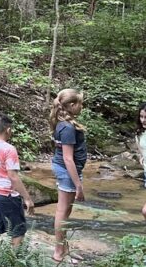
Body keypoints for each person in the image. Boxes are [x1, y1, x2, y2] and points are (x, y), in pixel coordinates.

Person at [0, 111, 35, 248]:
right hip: (6, 194)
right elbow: (13, 176)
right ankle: (14, 262)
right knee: (17, 230)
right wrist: (27, 198)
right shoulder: (9, 149)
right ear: (8, 130)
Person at [50, 89, 86, 264]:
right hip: (66, 171)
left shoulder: (63, 123)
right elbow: (67, 158)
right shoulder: (67, 127)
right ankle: (58, 251)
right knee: (62, 211)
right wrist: (78, 185)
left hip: (65, 170)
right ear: (72, 105)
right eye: (80, 103)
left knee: (66, 211)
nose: (82, 106)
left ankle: (65, 248)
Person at [136, 102, 146, 189]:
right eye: (141, 116)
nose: (143, 120)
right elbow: (140, 147)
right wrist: (141, 156)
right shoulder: (139, 133)